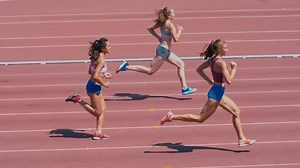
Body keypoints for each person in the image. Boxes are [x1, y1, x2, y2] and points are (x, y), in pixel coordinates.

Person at [160, 39, 256, 147]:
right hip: (215, 95)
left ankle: (242, 139)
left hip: (218, 91)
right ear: (219, 49)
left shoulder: (212, 60)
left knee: (236, 112)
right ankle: (172, 116)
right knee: (200, 119)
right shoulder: (221, 63)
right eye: (225, 48)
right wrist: (234, 69)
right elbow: (229, 81)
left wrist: (209, 80)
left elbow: (199, 69)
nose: (227, 50)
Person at [115, 6, 196, 95]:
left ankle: (185, 88)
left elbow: (150, 28)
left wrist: (158, 37)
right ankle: (126, 66)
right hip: (163, 51)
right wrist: (180, 30)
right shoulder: (170, 25)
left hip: (165, 50)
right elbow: (176, 38)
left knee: (181, 64)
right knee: (150, 71)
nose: (174, 14)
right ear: (168, 15)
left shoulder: (162, 22)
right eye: (173, 13)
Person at [65, 37, 111, 140]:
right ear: (103, 48)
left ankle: (98, 132)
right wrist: (104, 83)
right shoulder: (101, 59)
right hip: (94, 87)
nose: (110, 47)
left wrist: (103, 73)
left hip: (93, 85)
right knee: (97, 112)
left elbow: (90, 72)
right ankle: (78, 99)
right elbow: (95, 76)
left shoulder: (97, 56)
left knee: (103, 109)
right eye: (108, 46)